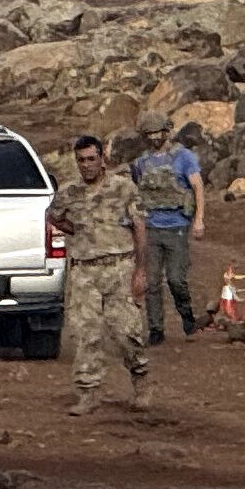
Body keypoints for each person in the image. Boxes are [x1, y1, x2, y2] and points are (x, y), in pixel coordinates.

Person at [46, 133, 150, 414]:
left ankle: (140, 378)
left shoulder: (123, 188)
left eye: (92, 159)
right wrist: (77, 231)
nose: (87, 165)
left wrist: (140, 270)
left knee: (126, 332)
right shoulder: (69, 193)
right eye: (81, 160)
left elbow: (139, 227)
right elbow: (53, 216)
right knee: (85, 333)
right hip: (84, 271)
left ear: (102, 159)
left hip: (119, 267)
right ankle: (88, 392)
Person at [134, 130, 207, 342]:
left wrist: (199, 220)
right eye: (149, 132)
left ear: (166, 131)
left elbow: (197, 187)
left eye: (158, 131)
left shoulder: (184, 157)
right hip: (151, 228)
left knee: (176, 279)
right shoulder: (142, 162)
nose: (154, 136)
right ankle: (156, 330)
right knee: (152, 281)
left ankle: (187, 317)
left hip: (177, 228)